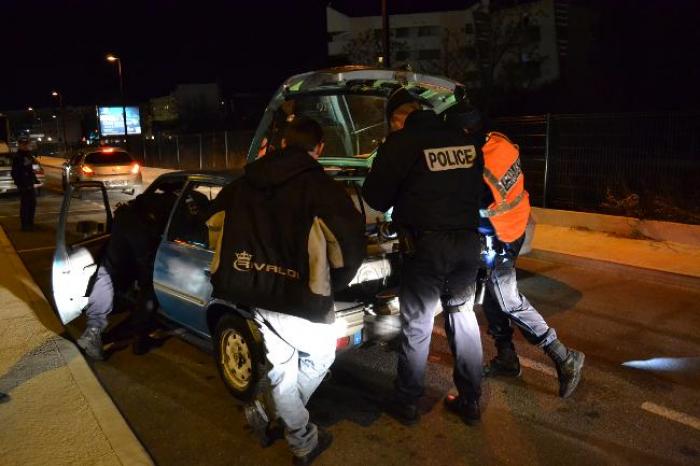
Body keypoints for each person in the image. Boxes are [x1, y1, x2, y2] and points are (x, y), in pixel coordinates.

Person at [208, 116, 365, 465]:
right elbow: (350, 247)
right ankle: (278, 416)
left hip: (257, 295)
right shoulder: (323, 189)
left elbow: (214, 222)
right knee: (320, 356)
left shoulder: (244, 183)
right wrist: (333, 283)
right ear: (319, 148)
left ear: (282, 144)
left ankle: (299, 439)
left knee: (283, 370)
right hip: (303, 297)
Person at [362, 88, 485, 426]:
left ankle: (407, 401)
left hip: (427, 246)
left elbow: (375, 198)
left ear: (395, 119)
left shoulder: (402, 142)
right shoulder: (465, 140)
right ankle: (471, 399)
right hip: (468, 243)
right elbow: (477, 190)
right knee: (462, 315)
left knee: (418, 323)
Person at [445, 103, 585, 398]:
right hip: (515, 227)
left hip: (501, 238)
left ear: (464, 132)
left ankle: (564, 356)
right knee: (492, 296)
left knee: (508, 300)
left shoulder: (474, 165)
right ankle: (507, 358)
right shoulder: (499, 142)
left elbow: (463, 206)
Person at [76, 185, 179, 360]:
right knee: (149, 285)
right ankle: (140, 338)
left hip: (122, 230)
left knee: (107, 279)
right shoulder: (181, 205)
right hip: (138, 235)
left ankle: (93, 332)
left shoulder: (152, 200)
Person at [11, 137, 38, 231]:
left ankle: (30, 223)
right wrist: (21, 183)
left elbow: (30, 170)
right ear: (20, 145)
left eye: (27, 144)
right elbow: (15, 172)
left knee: (32, 203)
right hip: (23, 184)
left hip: (30, 183)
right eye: (24, 144)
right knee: (25, 205)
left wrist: (35, 180)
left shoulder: (28, 155)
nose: (26, 146)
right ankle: (25, 225)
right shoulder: (18, 157)